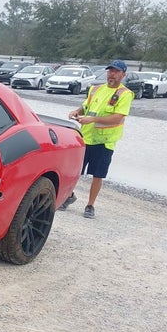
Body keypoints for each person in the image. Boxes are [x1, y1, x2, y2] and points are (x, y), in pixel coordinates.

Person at [60, 59, 134, 219]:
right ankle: (69, 196)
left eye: (115, 72)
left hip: (105, 142)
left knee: (98, 175)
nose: (111, 74)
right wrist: (76, 111)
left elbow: (117, 118)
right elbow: (85, 106)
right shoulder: (95, 89)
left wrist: (92, 120)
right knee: (74, 172)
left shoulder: (125, 94)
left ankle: (90, 205)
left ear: (123, 74)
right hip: (85, 138)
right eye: (110, 71)